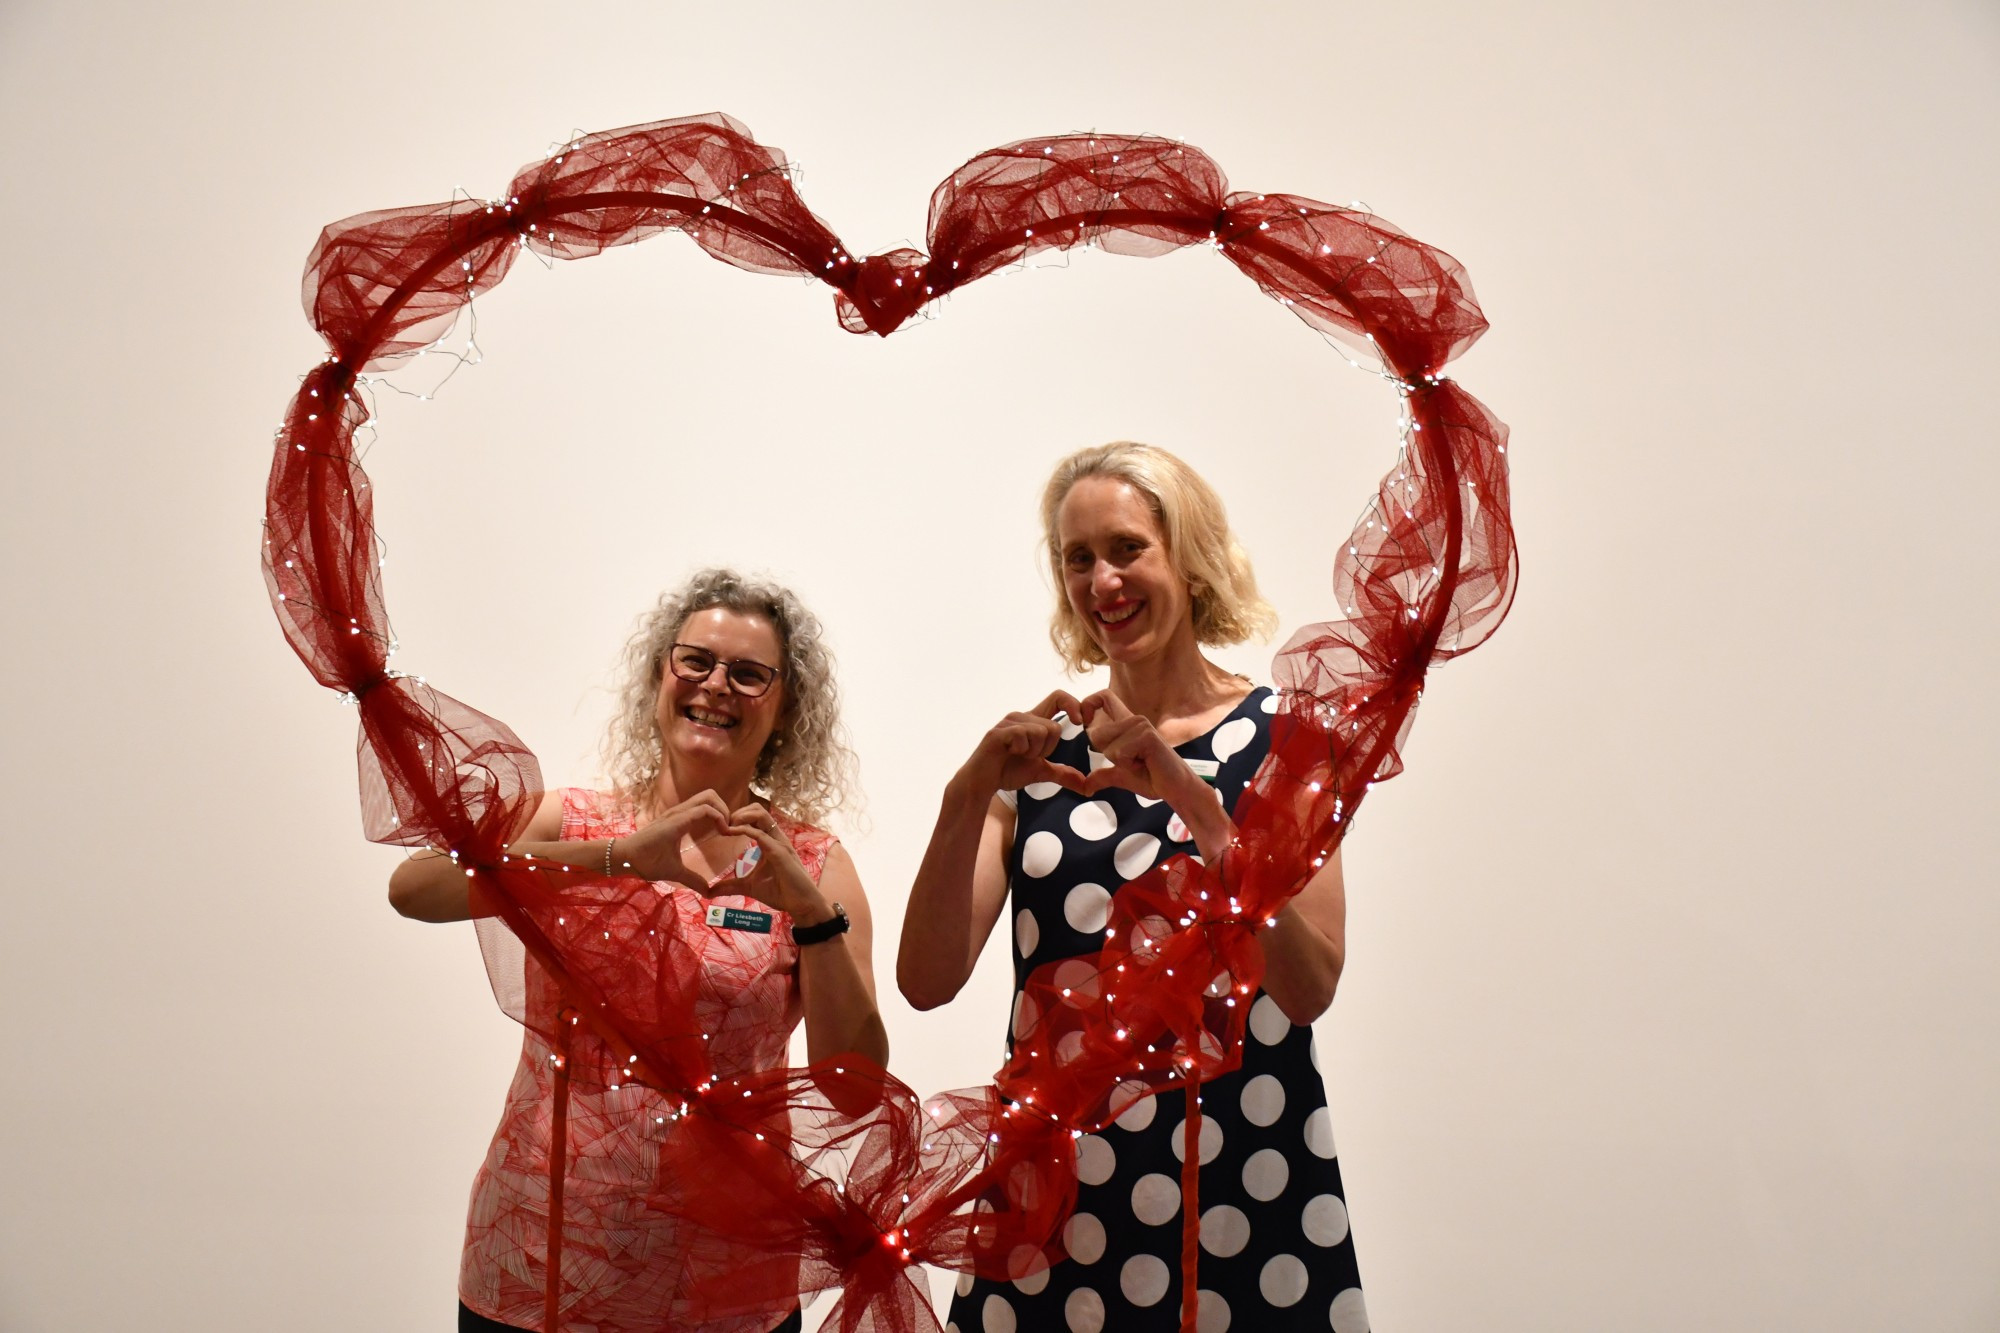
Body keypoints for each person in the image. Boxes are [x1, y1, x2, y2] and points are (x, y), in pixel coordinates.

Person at [899, 443, 1369, 1333]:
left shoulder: (1287, 741)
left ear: (1188, 559)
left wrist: (1193, 798)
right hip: (1058, 1191)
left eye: (1126, 548)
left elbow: (1308, 986)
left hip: (1239, 1171)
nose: (1101, 580)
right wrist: (965, 795)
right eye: (1077, 558)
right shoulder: (1036, 764)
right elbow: (926, 982)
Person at [390, 568, 886, 1333]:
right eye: (696, 660)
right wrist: (621, 857)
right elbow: (415, 887)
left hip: (727, 1288)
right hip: (539, 1266)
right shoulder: (577, 822)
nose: (717, 685)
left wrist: (816, 919)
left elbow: (855, 1087)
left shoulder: (814, 864)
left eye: (750, 674)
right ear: (661, 673)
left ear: (785, 709)